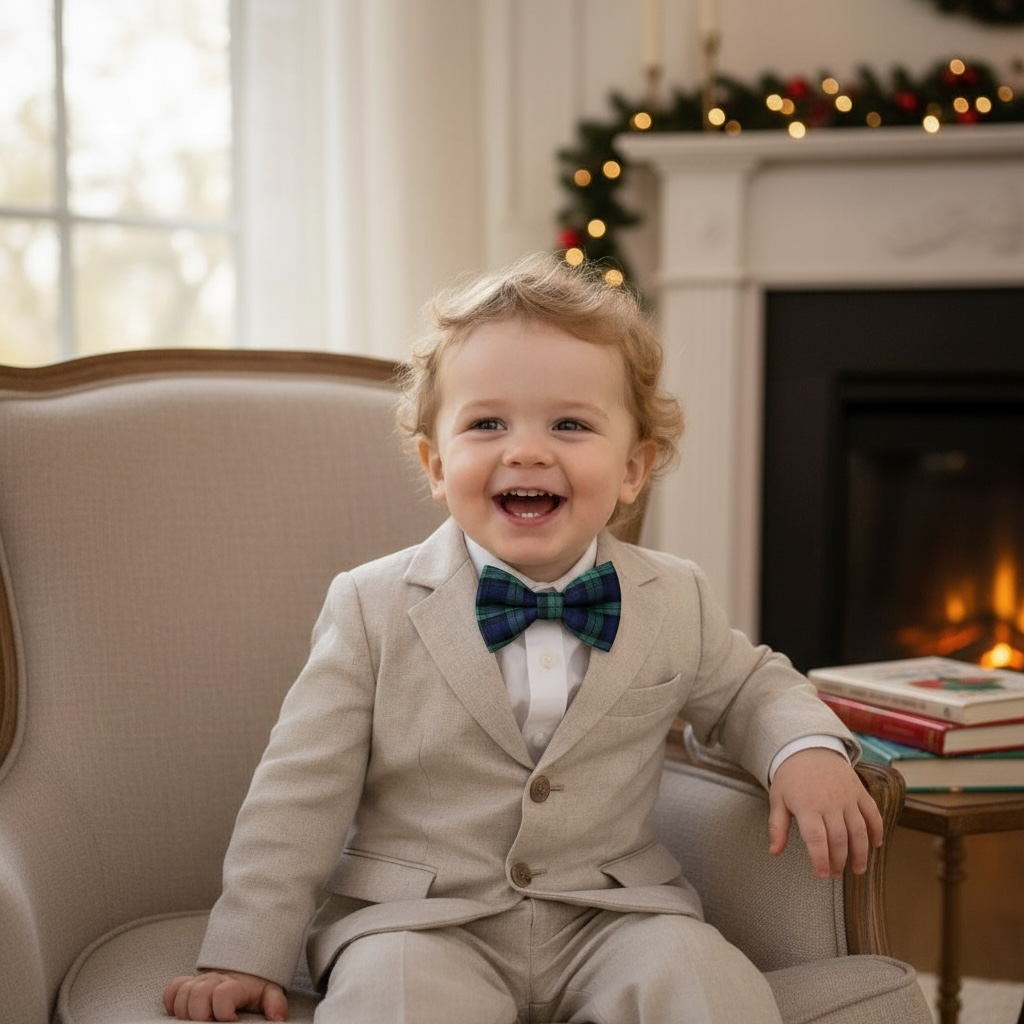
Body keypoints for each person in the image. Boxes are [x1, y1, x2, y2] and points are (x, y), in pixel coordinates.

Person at [163, 253, 883, 1024]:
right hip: (419, 922)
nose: (527, 450)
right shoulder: (370, 605)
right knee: (392, 1003)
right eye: (487, 424)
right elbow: (299, 793)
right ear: (437, 467)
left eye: (570, 424)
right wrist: (245, 950)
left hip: (615, 916)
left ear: (633, 468)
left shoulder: (673, 596)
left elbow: (750, 687)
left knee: (708, 983)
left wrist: (802, 749)